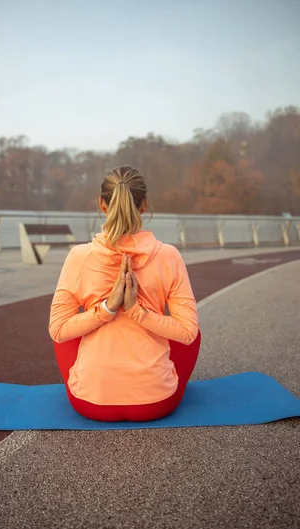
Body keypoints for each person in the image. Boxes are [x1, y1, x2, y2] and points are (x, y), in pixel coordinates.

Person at [48, 165, 200, 422]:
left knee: (68, 330)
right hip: (156, 403)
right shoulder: (168, 256)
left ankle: (95, 380)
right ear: (144, 205)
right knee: (190, 330)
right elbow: (187, 334)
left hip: (90, 405)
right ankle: (154, 380)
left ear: (102, 204)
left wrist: (106, 310)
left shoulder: (78, 257)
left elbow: (58, 331)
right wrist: (137, 312)